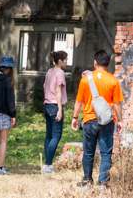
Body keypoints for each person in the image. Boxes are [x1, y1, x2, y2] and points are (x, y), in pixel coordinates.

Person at [71, 50, 123, 189]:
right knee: (106, 153)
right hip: (106, 121)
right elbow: (117, 104)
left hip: (89, 120)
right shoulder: (113, 80)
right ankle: (103, 183)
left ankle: (87, 181)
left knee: (88, 152)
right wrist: (120, 120)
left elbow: (79, 101)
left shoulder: (85, 80)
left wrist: (75, 117)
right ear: (108, 64)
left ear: (95, 63)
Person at [41, 50, 68, 174]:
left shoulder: (49, 71)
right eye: (65, 60)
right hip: (54, 106)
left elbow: (44, 88)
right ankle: (47, 164)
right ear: (60, 61)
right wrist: (60, 110)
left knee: (49, 136)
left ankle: (47, 163)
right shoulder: (60, 72)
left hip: (47, 105)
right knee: (56, 136)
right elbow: (58, 91)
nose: (66, 62)